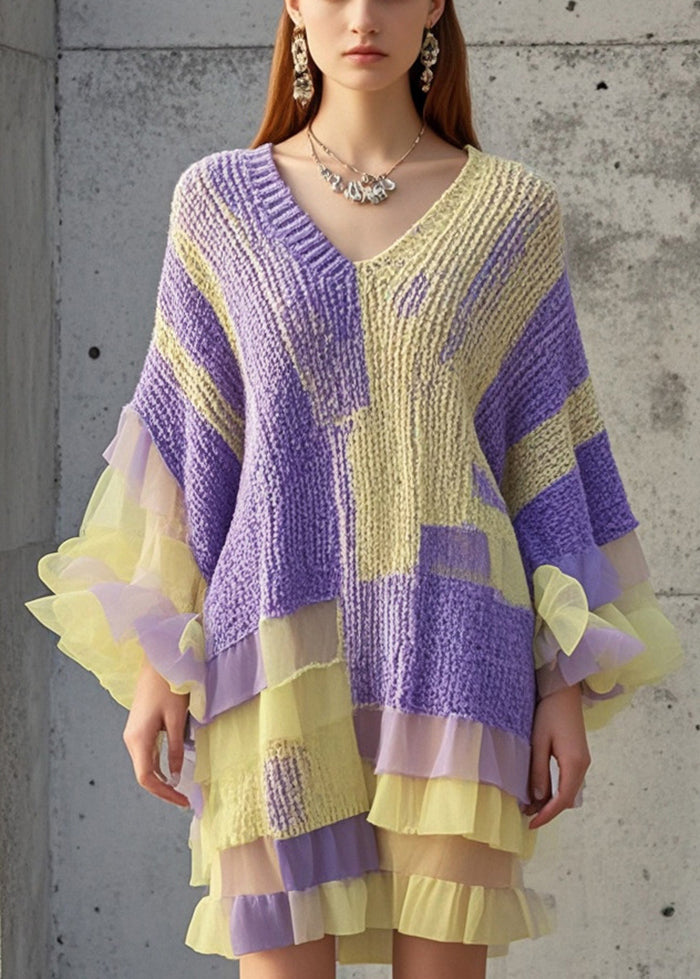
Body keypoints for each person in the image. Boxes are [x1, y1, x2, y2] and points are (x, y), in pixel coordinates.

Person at [26, 1, 684, 977]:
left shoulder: (511, 213)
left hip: (460, 652)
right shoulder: (218, 204)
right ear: (293, 6)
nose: (362, 15)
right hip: (270, 654)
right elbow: (193, 443)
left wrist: (563, 681)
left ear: (435, 6)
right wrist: (162, 665)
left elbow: (547, 454)